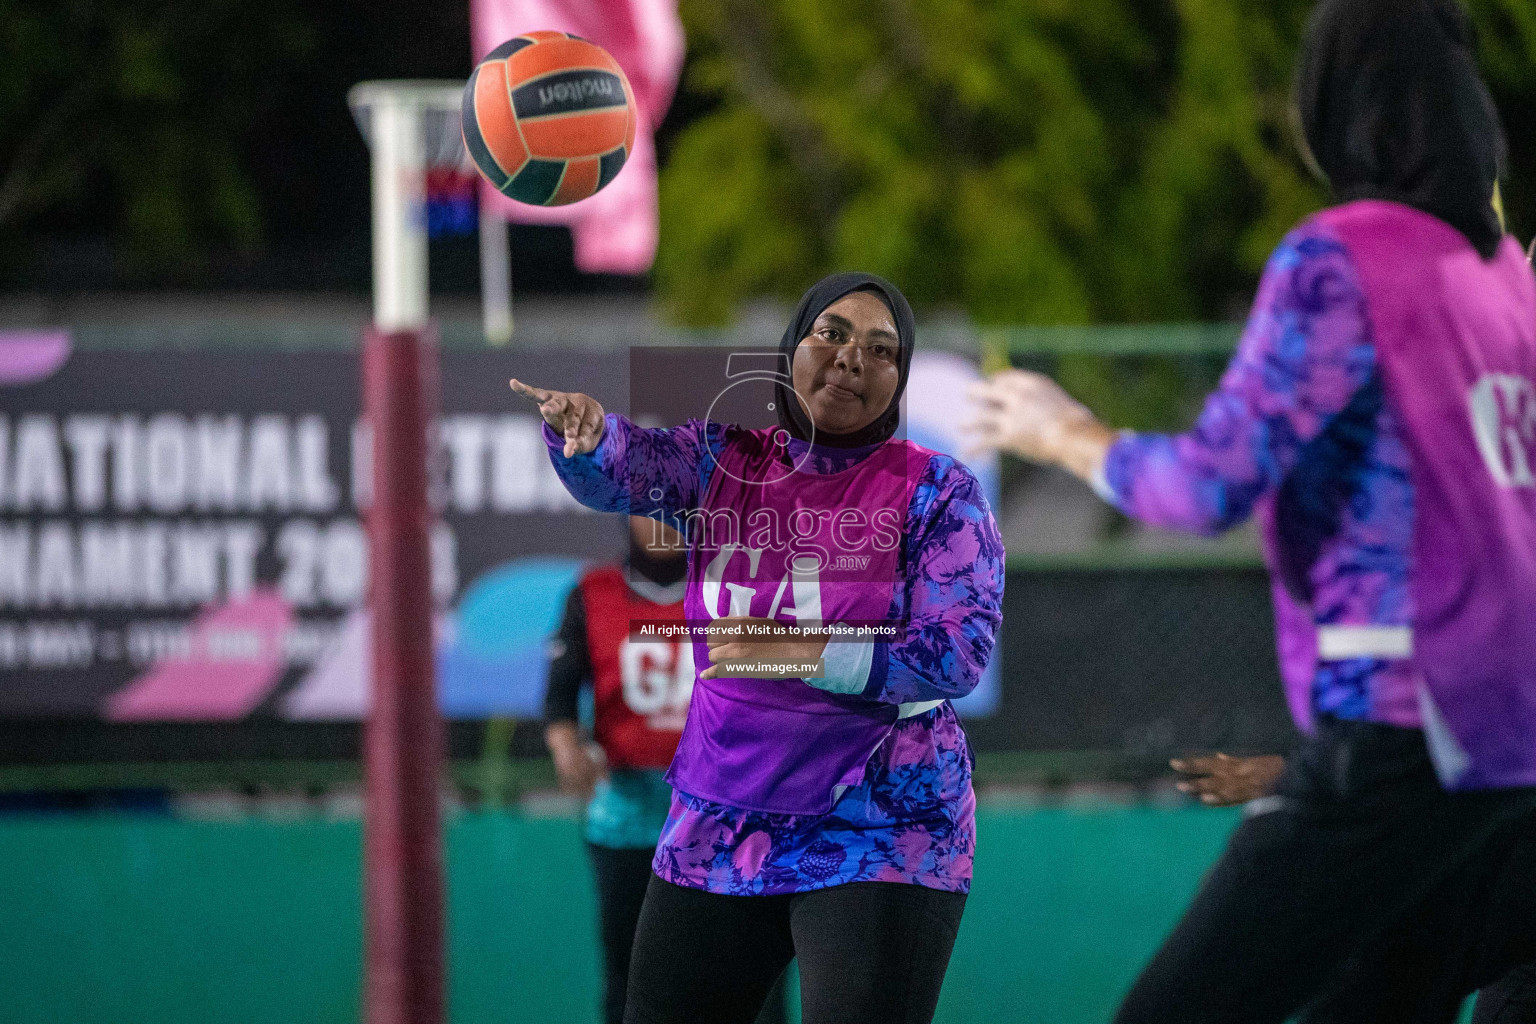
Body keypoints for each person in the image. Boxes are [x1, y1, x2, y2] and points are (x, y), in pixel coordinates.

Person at [967, 0, 1536, 1020]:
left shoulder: (1343, 257)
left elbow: (1207, 485)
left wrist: (1067, 435)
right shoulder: (1502, 280)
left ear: (1335, 106)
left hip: (1410, 721)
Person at [511, 272, 1004, 1024]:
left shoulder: (940, 493)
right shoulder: (722, 462)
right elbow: (629, 470)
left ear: (898, 381)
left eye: (880, 349)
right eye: (832, 334)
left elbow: (957, 655)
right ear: (792, 348)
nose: (850, 359)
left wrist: (798, 652)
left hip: (880, 821)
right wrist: (585, 438)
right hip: (722, 813)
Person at [543, 515, 691, 1024]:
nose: (665, 521)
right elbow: (559, 693)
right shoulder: (593, 592)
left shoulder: (732, 591)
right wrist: (567, 749)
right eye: (652, 506)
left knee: (751, 990)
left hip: (727, 824)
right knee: (631, 984)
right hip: (628, 818)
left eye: (679, 504)